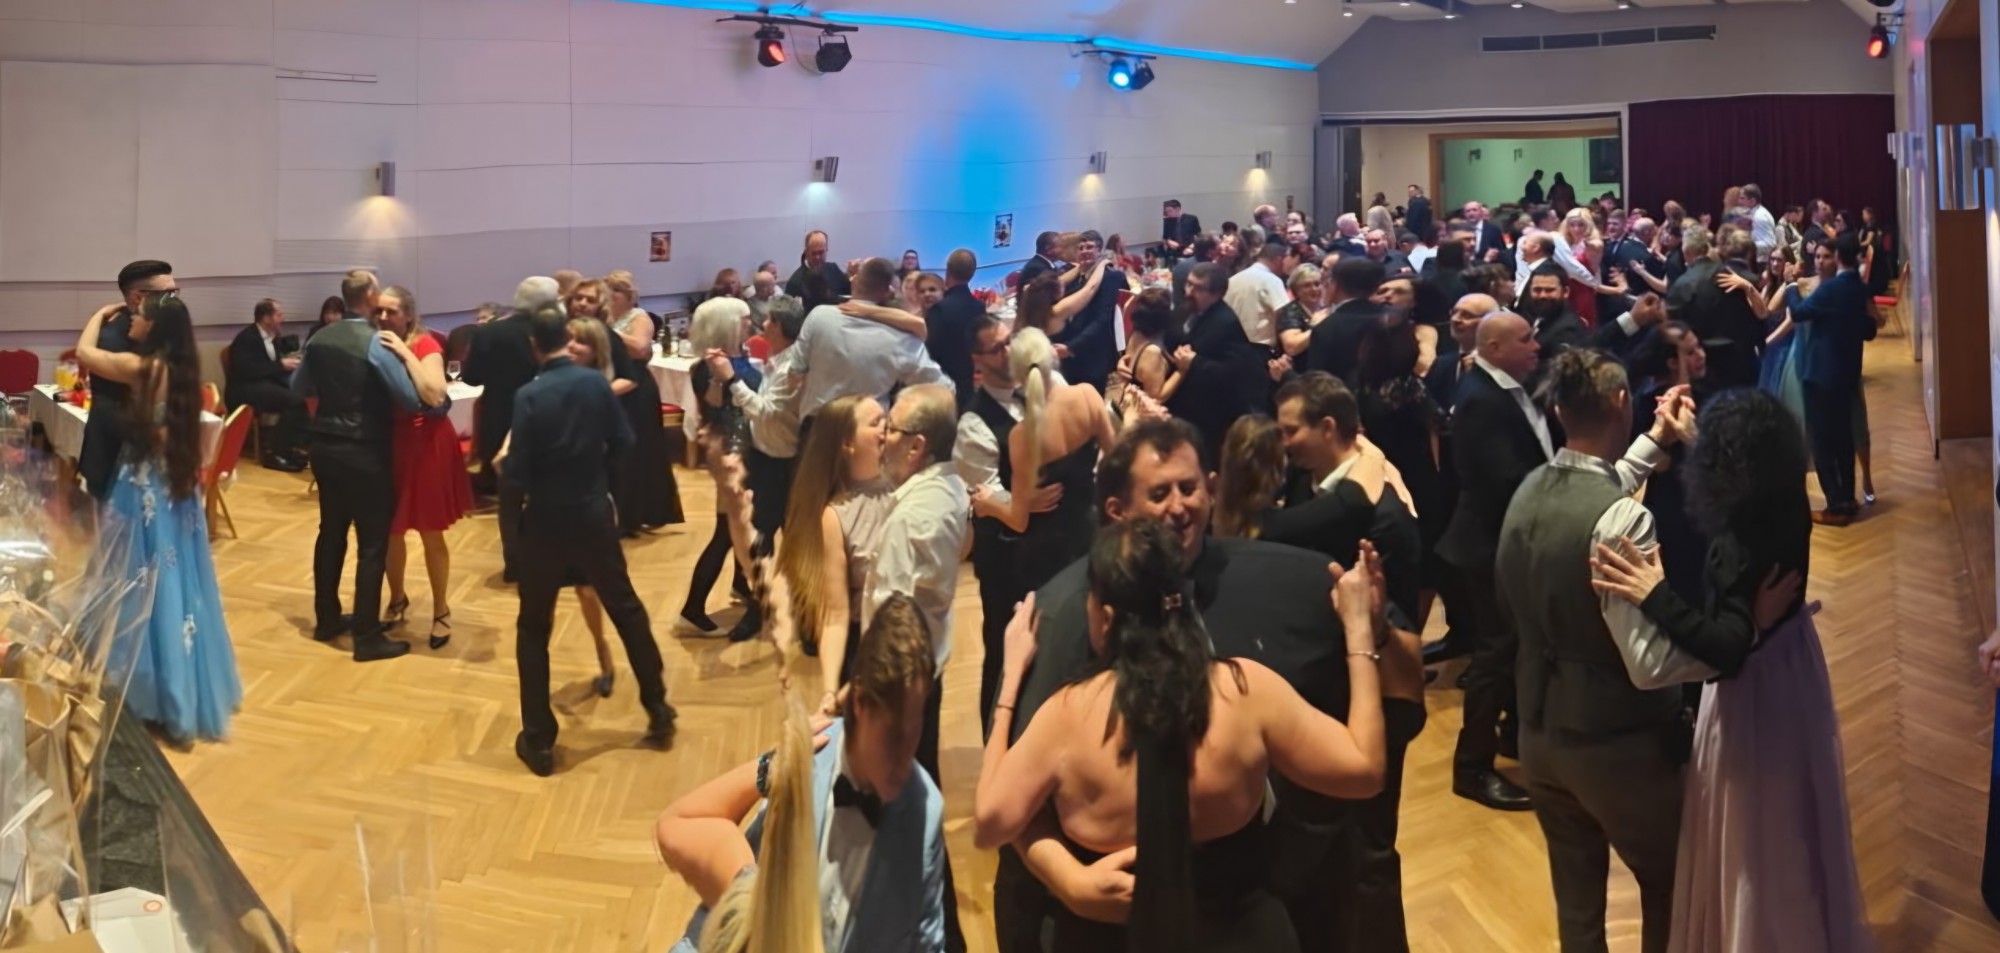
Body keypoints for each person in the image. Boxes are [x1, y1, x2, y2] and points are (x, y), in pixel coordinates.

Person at [1001, 418, 1420, 953]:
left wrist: (1373, 630)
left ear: (1213, 488)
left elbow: (1403, 693)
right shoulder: (1063, 615)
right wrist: (1065, 878)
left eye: (1189, 487)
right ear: (1116, 511)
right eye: (1159, 494)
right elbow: (1015, 799)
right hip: (1119, 927)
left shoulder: (1302, 581)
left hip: (1264, 907)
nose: (1179, 507)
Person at [1591, 387, 1870, 953]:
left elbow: (1724, 649)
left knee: (1753, 827)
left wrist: (1654, 592)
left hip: (1754, 689)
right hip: (1794, 665)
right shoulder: (1785, 496)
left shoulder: (1739, 538)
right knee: (1791, 816)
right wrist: (1692, 436)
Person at [1493, 348, 1697, 953]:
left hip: (1538, 734)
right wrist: (1730, 650)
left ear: (1558, 411)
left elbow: (1596, 491)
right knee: (1670, 883)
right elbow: (1649, 665)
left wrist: (1655, 441)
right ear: (1620, 401)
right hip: (1617, 742)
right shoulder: (1623, 520)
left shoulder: (1529, 488)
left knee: (1577, 903)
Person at [657, 593, 948, 953]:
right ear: (860, 703)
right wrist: (773, 762)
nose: (905, 757)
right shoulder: (806, 760)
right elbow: (679, 832)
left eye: (915, 728)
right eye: (894, 735)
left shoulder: (926, 811)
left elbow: (926, 941)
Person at [498, 307, 676, 776]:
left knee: (533, 627)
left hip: (545, 521)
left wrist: (509, 469)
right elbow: (624, 442)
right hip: (594, 514)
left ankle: (539, 741)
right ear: (564, 338)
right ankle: (658, 708)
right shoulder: (596, 384)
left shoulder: (529, 395)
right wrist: (597, 480)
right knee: (627, 609)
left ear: (534, 347)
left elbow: (517, 471)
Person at [76, 291, 242, 745]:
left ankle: (144, 689)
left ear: (153, 326)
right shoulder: (187, 372)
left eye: (138, 316)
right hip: (176, 490)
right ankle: (178, 687)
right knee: (177, 582)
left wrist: (98, 314)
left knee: (136, 579)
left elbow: (86, 354)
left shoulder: (144, 368)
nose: (131, 320)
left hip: (142, 487)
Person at [866, 382, 970, 951]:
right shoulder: (947, 487)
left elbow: (893, 624)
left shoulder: (912, 517)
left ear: (917, 446)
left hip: (903, 686)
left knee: (906, 812)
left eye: (892, 429)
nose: (883, 437)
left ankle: (939, 934)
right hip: (929, 669)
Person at [292, 270, 433, 662]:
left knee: (331, 534)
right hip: (364, 449)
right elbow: (409, 398)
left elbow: (298, 388)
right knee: (372, 544)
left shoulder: (319, 338)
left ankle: (326, 620)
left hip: (324, 447)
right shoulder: (375, 342)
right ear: (371, 296)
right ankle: (367, 637)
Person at [778, 394, 895, 713]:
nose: (887, 427)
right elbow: (835, 614)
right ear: (847, 444)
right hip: (867, 652)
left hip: (912, 642)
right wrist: (830, 692)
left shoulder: (907, 487)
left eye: (886, 418)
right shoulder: (835, 516)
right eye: (876, 422)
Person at [375, 286, 469, 651]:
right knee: (391, 531)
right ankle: (397, 598)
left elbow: (434, 393)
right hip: (392, 445)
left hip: (426, 444)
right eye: (380, 311)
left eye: (392, 311)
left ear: (409, 315)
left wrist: (403, 352)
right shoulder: (375, 341)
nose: (384, 318)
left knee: (431, 533)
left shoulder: (425, 344)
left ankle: (441, 610)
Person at [989, 328, 1116, 595]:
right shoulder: (1087, 395)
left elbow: (1019, 520)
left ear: (1017, 375)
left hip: (1047, 550)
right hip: (1091, 529)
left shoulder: (1020, 436)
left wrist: (987, 503)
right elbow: (1116, 460)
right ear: (1052, 357)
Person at [1782, 236, 1879, 526]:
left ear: (1837, 258)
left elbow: (1798, 313)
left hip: (1821, 376)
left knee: (1822, 443)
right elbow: (1870, 330)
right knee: (1844, 439)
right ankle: (1848, 499)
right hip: (1847, 374)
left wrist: (1790, 286)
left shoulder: (1831, 289)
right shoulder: (1859, 287)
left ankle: (1836, 506)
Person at [465, 277, 556, 584]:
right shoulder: (553, 332)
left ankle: (514, 564)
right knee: (547, 494)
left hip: (500, 417)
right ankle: (547, 559)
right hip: (546, 419)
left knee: (509, 498)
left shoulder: (488, 332)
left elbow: (471, 378)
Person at [684, 296, 764, 639]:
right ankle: (692, 610)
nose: (750, 323)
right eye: (744, 319)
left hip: (743, 451)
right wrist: (722, 378)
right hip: (733, 456)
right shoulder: (711, 366)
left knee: (740, 527)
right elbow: (716, 404)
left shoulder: (733, 358)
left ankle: (740, 584)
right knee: (725, 533)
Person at [586, 277, 684, 535]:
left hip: (636, 387)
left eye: (616, 291)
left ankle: (638, 513)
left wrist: (607, 333)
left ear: (628, 295)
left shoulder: (639, 317)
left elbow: (640, 348)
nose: (611, 295)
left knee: (638, 450)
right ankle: (618, 512)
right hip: (615, 383)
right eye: (608, 291)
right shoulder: (605, 319)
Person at [78, 261, 176, 502]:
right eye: (167, 294)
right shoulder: (113, 340)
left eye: (176, 293)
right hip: (116, 453)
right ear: (138, 297)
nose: (174, 301)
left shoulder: (164, 333)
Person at [1167, 263, 1262, 465]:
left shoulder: (1226, 323)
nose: (1189, 292)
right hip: (1183, 408)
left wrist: (1195, 362)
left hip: (1210, 418)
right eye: (1189, 284)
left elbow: (1235, 375)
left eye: (1198, 288)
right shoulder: (1184, 309)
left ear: (1217, 294)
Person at [224, 298, 308, 471]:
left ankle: (288, 448)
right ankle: (274, 453)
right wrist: (281, 365)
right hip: (244, 389)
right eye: (279, 315)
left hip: (260, 384)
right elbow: (246, 370)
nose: (283, 318)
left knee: (301, 397)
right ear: (266, 318)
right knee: (295, 402)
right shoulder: (247, 338)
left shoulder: (272, 336)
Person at [1107, 289, 1184, 420]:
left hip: (1131, 406)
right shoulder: (1152, 352)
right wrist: (1182, 371)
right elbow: (1157, 396)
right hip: (1143, 416)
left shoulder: (1135, 335)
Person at [926, 249, 985, 408]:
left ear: (948, 271)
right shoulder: (979, 307)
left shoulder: (939, 309)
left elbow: (931, 351)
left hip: (942, 385)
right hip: (968, 383)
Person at [786, 230, 853, 300]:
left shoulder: (833, 270)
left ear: (826, 250)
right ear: (806, 252)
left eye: (821, 252)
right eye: (813, 253)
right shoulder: (795, 283)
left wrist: (852, 276)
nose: (817, 257)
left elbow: (850, 293)